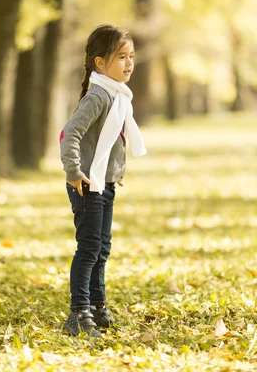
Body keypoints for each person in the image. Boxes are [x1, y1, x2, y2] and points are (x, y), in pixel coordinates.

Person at [59, 24, 147, 337]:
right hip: (85, 184)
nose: (129, 63)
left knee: (102, 248)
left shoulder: (118, 96)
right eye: (121, 56)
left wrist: (114, 173)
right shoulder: (99, 96)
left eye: (131, 56)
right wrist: (73, 171)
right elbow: (70, 134)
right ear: (100, 63)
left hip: (104, 183)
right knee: (89, 248)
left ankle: (97, 307)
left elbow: (109, 142)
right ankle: (78, 312)